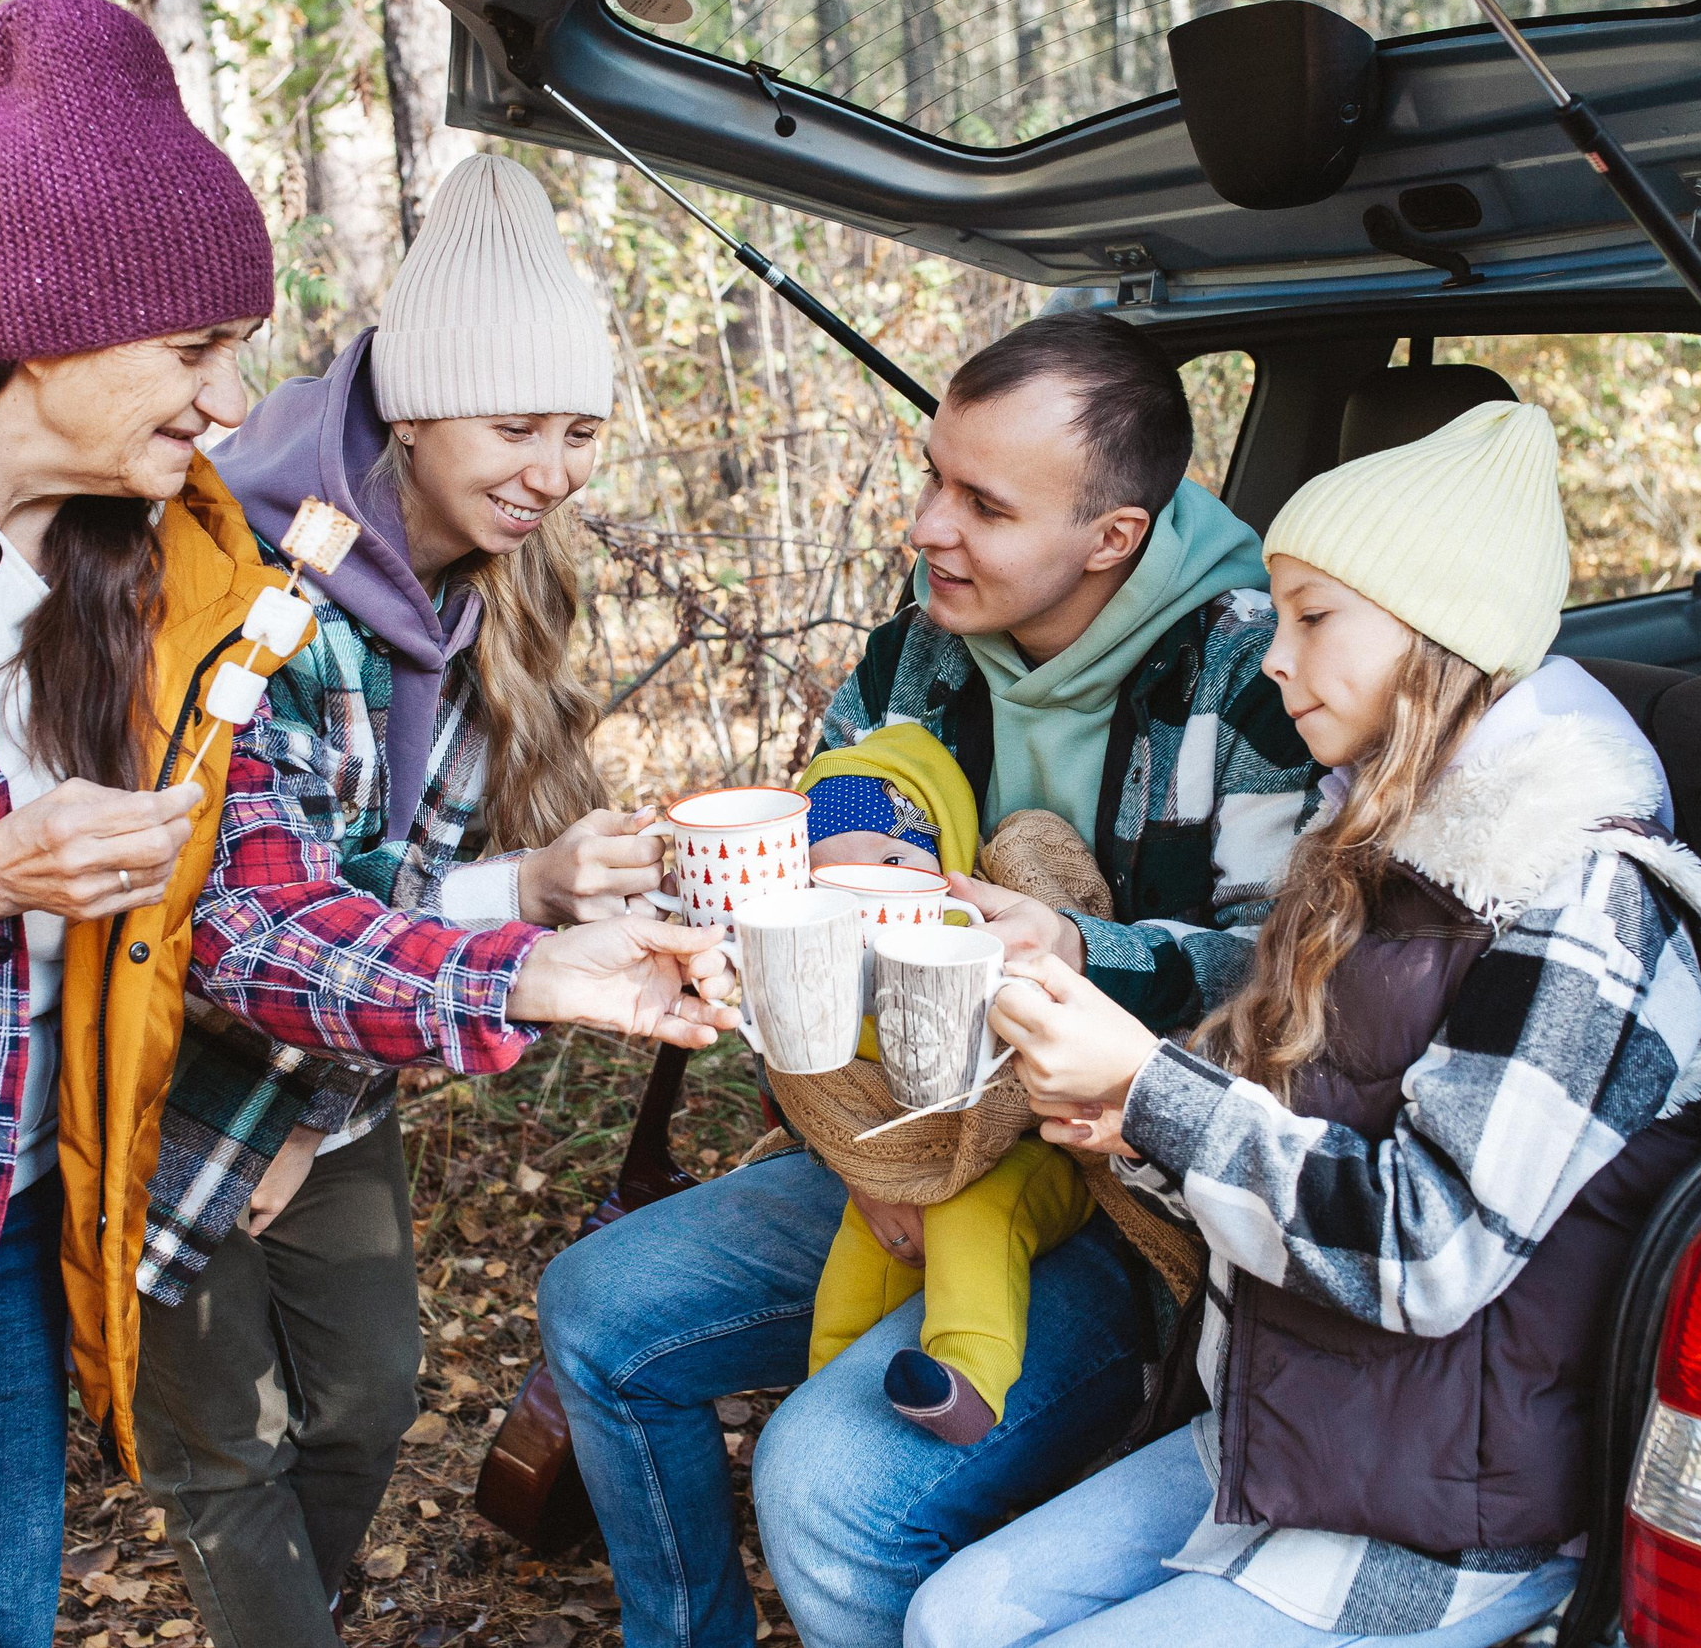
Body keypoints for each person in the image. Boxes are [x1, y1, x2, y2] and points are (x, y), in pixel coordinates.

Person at [0, 0, 729, 1648]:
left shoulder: (176, 576)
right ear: (46, 327)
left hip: (5, 1231)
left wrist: (537, 976)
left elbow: (239, 916)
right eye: (194, 352)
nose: (234, 402)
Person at [906, 401, 1701, 1647]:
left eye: (1313, 618)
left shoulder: (1585, 901)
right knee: (951, 1617)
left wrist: (1154, 1090)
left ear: (1436, 638)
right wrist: (1123, 1119)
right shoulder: (1370, 847)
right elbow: (1283, 1130)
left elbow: (1426, 1248)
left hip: (1449, 1507)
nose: (1271, 659)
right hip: (1299, 1424)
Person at [537, 309, 1321, 1648]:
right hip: (902, 1132)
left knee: (830, 1485)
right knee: (599, 1307)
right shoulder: (922, 650)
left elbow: (1284, 978)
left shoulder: (1258, 673)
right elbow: (829, 840)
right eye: (929, 475)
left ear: (1111, 537)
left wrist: (1078, 949)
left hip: (1128, 1198)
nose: (924, 526)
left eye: (981, 502)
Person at [126, 153, 666, 1647]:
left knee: (369, 1397)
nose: (554, 470)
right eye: (518, 426)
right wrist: (528, 970)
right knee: (222, 1446)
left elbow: (386, 886)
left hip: (331, 1072)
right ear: (416, 411)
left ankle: (299, 1606)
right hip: (167, 1076)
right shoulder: (255, 583)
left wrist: (539, 884)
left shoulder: (474, 583)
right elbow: (241, 917)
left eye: (579, 431)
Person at [796, 726, 1095, 1447]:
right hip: (898, 1163)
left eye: (895, 860)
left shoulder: (1000, 931)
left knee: (972, 1217)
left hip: (1032, 1156)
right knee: (858, 1259)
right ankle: (822, 1397)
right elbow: (820, 1080)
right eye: (828, 881)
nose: (866, 895)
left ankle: (969, 1380)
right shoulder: (827, 973)